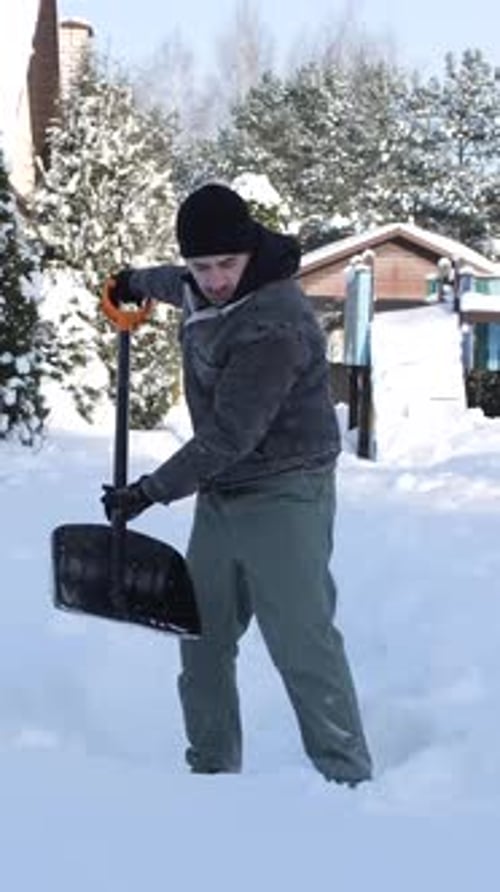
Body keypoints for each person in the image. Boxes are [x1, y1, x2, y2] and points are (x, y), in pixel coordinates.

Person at [103, 183, 372, 784]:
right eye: (204, 266)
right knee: (200, 633)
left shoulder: (276, 322)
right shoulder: (198, 284)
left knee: (300, 639)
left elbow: (230, 434)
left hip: (286, 488)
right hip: (223, 491)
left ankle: (347, 780)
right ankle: (211, 773)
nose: (216, 279)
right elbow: (176, 282)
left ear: (250, 250)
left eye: (228, 263)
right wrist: (133, 281)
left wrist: (148, 491)